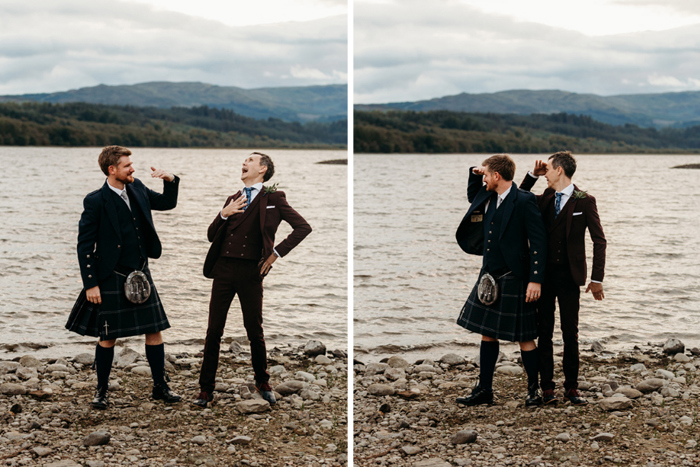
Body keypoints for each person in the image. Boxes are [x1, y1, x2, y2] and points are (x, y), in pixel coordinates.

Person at [194, 152, 312, 408]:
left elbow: (303, 228)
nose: (244, 162)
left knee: (254, 330)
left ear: (263, 169)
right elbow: (211, 235)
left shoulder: (274, 198)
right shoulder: (232, 198)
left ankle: (263, 381)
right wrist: (224, 213)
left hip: (251, 272)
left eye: (250, 160)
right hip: (223, 270)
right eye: (244, 160)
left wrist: (275, 254)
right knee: (214, 330)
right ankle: (205, 390)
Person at [72, 145, 181, 409]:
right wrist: (91, 284)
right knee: (108, 336)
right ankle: (101, 390)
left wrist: (171, 180)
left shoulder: (138, 187)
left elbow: (167, 203)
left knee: (154, 331)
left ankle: (160, 386)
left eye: (131, 164)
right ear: (112, 169)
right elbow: (84, 245)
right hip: (111, 275)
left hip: (140, 271)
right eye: (127, 165)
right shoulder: (96, 200)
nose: (133, 168)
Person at [455, 154, 547, 406]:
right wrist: (475, 171)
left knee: (525, 337)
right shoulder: (487, 197)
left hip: (515, 278)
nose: (483, 178)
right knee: (486, 333)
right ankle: (484, 390)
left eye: (486, 174)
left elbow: (538, 242)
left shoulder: (525, 201)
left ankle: (533, 391)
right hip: (489, 276)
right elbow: (472, 193)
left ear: (497, 176)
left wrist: (535, 279)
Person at [520, 151, 606, 405]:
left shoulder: (585, 200)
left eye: (547, 168)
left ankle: (571, 388)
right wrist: (531, 176)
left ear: (559, 170)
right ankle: (547, 388)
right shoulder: (545, 196)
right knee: (544, 332)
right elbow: (520, 199)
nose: (544, 172)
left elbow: (599, 240)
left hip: (571, 277)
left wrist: (597, 278)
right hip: (543, 277)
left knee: (571, 333)